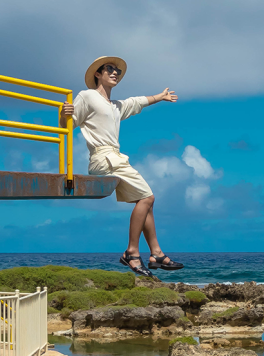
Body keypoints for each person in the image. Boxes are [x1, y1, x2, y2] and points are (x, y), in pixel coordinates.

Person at [60, 56, 182, 275]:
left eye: (117, 70)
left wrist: (160, 96)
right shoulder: (87, 96)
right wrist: (64, 114)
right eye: (109, 69)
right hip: (103, 158)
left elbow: (137, 101)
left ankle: (156, 254)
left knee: (145, 201)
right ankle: (132, 252)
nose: (115, 72)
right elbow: (68, 125)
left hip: (115, 158)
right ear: (98, 74)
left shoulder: (116, 106)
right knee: (147, 197)